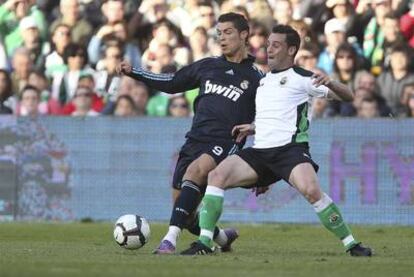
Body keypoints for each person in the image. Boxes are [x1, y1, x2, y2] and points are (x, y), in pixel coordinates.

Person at [181, 24, 372, 257]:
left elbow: (349, 96)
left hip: (290, 151)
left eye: (276, 45)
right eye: (268, 43)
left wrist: (330, 82)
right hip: (260, 152)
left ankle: (352, 244)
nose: (269, 49)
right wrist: (253, 128)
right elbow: (274, 116)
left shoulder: (304, 78)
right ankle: (204, 243)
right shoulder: (263, 81)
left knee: (312, 191)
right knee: (216, 176)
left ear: (291, 50)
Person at [117, 12, 262, 254]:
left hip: (227, 141)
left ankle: (169, 240)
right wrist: (136, 72)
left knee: (196, 172)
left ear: (244, 34)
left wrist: (264, 167)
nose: (222, 38)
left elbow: (267, 119)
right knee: (183, 210)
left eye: (228, 32)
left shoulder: (256, 77)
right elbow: (172, 82)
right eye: (219, 34)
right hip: (195, 139)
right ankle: (223, 238)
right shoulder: (208, 66)